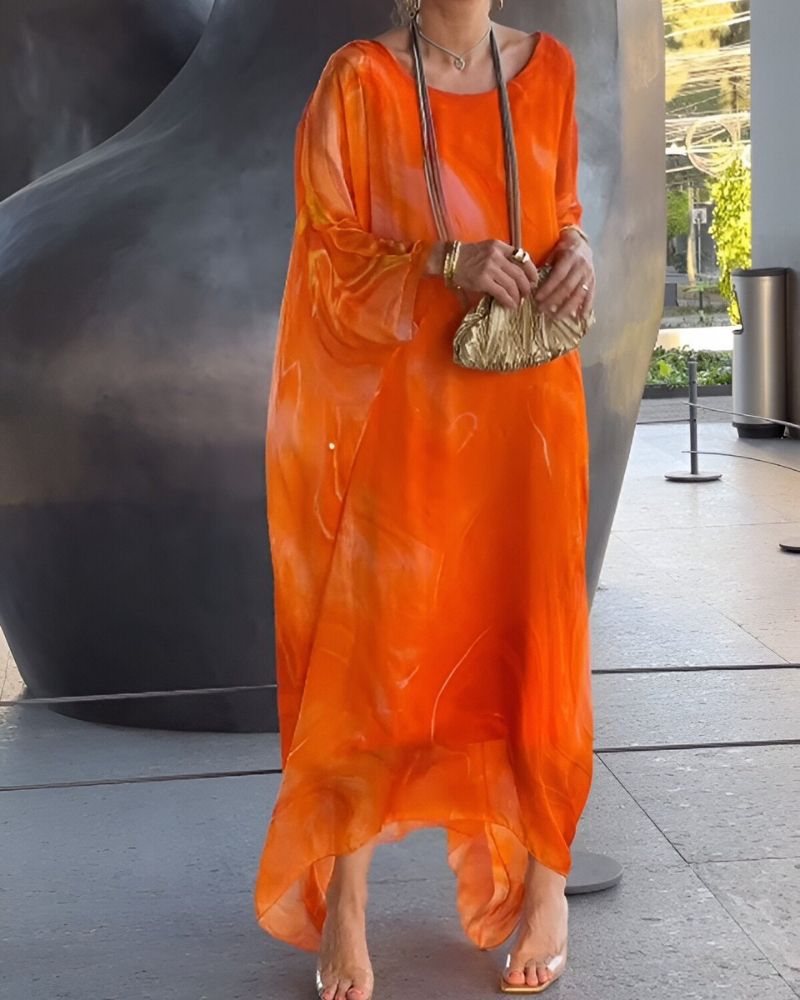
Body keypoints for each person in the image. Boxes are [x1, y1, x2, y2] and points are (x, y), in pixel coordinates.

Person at [254, 0, 597, 996]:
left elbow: (561, 211)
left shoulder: (550, 70)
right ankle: (347, 902)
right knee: (376, 655)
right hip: (409, 419)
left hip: (529, 411)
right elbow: (324, 251)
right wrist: (446, 262)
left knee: (532, 637)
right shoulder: (359, 80)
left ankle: (546, 884)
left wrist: (577, 250)